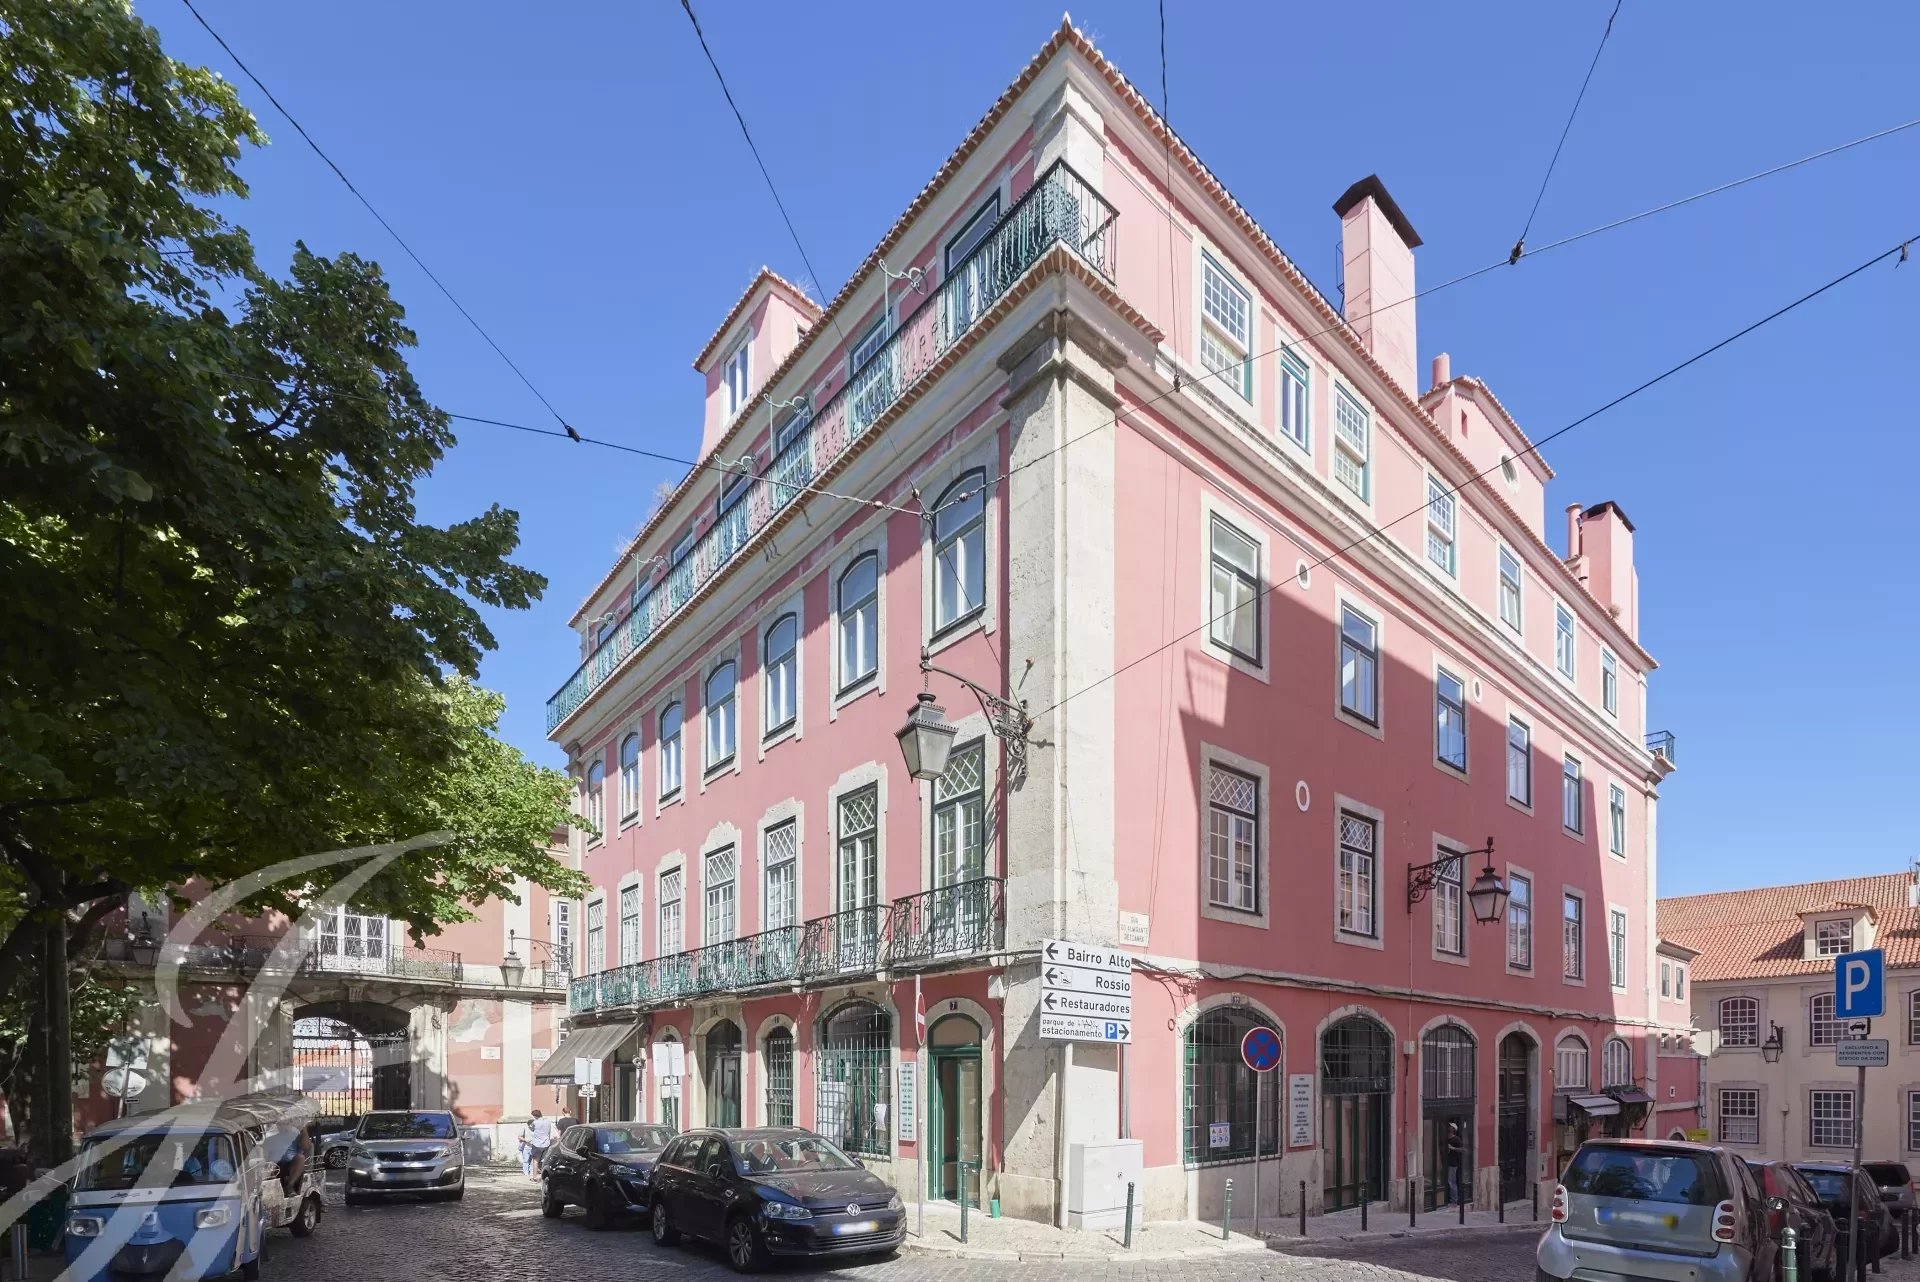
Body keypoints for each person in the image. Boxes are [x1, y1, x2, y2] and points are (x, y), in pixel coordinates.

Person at [525, 1109, 554, 1181]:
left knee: (535, 1161)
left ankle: (535, 1177)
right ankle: (543, 1176)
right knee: (545, 1161)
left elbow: (531, 1129)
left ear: (534, 1116)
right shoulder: (548, 1122)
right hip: (546, 1143)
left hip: (537, 1144)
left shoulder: (534, 1123)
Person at [1445, 1121, 1466, 1207]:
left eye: (1450, 1126)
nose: (1448, 1127)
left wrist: (1453, 1148)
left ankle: (1454, 1201)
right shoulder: (1445, 1137)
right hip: (1445, 1162)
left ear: (1453, 1129)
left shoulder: (1456, 1139)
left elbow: (1463, 1149)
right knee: (1447, 1181)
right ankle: (1447, 1199)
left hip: (1453, 1163)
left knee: (1451, 1182)